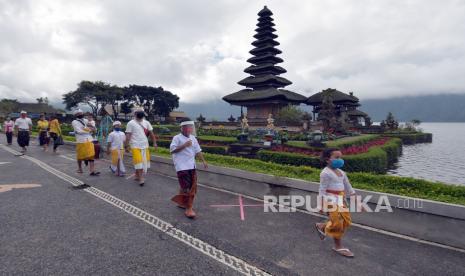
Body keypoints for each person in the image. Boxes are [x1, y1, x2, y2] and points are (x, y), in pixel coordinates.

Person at [315, 148, 356, 258]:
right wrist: (321, 205)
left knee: (346, 221)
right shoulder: (325, 173)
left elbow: (347, 185)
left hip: (340, 199)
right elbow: (322, 190)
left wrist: (353, 195)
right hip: (330, 200)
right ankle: (338, 246)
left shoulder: (341, 172)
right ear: (328, 160)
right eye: (337, 157)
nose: (340, 160)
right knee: (338, 223)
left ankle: (323, 226)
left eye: (340, 157)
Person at [170, 120, 207, 218]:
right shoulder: (177, 138)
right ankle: (189, 209)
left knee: (191, 186)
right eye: (186, 127)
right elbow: (172, 150)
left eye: (190, 127)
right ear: (181, 128)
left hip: (192, 166)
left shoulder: (193, 138)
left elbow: (198, 150)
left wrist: (203, 161)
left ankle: (181, 202)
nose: (188, 129)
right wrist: (184, 145)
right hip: (181, 167)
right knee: (188, 188)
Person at [124, 108, 157, 186]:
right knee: (139, 162)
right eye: (138, 114)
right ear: (135, 114)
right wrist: (126, 145)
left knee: (143, 162)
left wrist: (155, 143)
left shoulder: (147, 123)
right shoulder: (130, 123)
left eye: (141, 114)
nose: (140, 116)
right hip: (135, 145)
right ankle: (141, 178)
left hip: (145, 145)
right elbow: (128, 135)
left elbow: (151, 133)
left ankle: (136, 175)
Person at [71, 109, 99, 176]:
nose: (81, 114)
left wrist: (92, 127)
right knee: (80, 156)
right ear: (76, 115)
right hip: (81, 141)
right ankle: (80, 168)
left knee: (92, 155)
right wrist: (89, 130)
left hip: (89, 140)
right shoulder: (74, 122)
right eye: (78, 113)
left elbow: (94, 128)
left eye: (81, 113)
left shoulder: (86, 120)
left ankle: (92, 171)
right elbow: (78, 131)